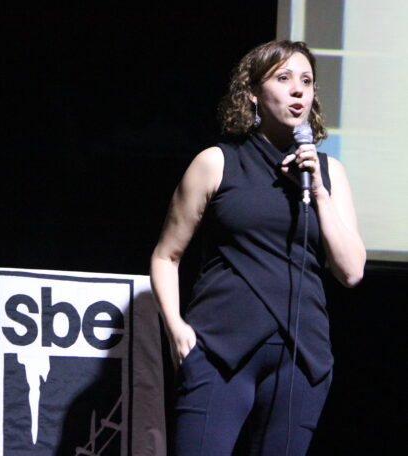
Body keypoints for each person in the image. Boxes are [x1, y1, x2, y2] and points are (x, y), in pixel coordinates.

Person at [149, 40, 366, 455]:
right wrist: (176, 329)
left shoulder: (328, 173)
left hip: (301, 355)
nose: (298, 89)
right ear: (252, 92)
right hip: (220, 346)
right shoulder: (217, 162)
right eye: (283, 78)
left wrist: (320, 193)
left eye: (307, 81)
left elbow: (351, 271)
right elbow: (166, 255)